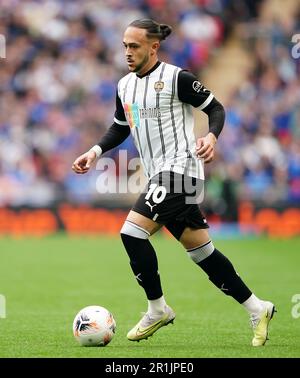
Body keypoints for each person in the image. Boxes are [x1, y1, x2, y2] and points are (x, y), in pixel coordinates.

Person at [72, 19, 275, 346]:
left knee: (132, 232)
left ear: (153, 47)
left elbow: (216, 109)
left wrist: (211, 135)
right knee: (202, 253)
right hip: (160, 176)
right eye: (125, 45)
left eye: (134, 46)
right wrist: (95, 151)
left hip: (181, 170)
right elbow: (120, 127)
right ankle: (258, 307)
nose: (127, 51)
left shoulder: (177, 78)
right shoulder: (124, 85)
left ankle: (157, 309)